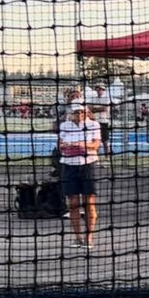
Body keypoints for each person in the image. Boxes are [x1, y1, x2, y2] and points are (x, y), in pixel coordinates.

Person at [57, 103, 101, 248]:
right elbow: (60, 146)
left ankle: (89, 238)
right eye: (77, 112)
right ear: (72, 113)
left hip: (87, 164)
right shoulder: (65, 125)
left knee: (89, 202)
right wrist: (69, 146)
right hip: (69, 165)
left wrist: (82, 145)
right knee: (73, 203)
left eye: (82, 112)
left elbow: (95, 145)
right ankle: (77, 238)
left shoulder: (94, 124)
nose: (80, 115)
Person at [88, 84, 115, 164]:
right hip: (95, 122)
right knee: (96, 141)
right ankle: (97, 159)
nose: (99, 90)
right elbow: (90, 108)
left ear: (103, 90)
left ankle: (107, 158)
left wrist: (95, 109)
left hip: (104, 122)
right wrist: (96, 109)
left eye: (101, 89)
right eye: (98, 89)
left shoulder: (106, 98)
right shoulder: (94, 98)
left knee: (105, 142)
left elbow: (105, 108)